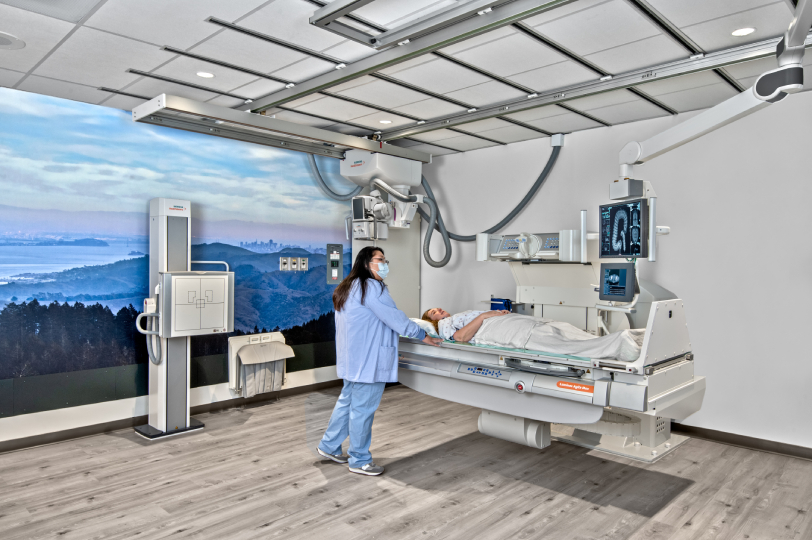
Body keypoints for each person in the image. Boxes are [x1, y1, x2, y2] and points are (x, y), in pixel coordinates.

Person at [318, 246, 442, 476]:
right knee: (362, 410)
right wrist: (423, 335)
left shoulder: (348, 286)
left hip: (352, 359)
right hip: (369, 360)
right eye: (380, 259)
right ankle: (359, 460)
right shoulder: (372, 287)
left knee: (347, 402)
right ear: (367, 263)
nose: (384, 264)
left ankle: (329, 445)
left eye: (385, 260)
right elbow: (395, 318)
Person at [422, 308, 510, 342]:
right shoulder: (443, 325)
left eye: (437, 308)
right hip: (494, 326)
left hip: (499, 320)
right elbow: (459, 337)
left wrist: (497, 313)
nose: (439, 309)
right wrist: (483, 316)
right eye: (434, 312)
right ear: (432, 322)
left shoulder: (454, 318)